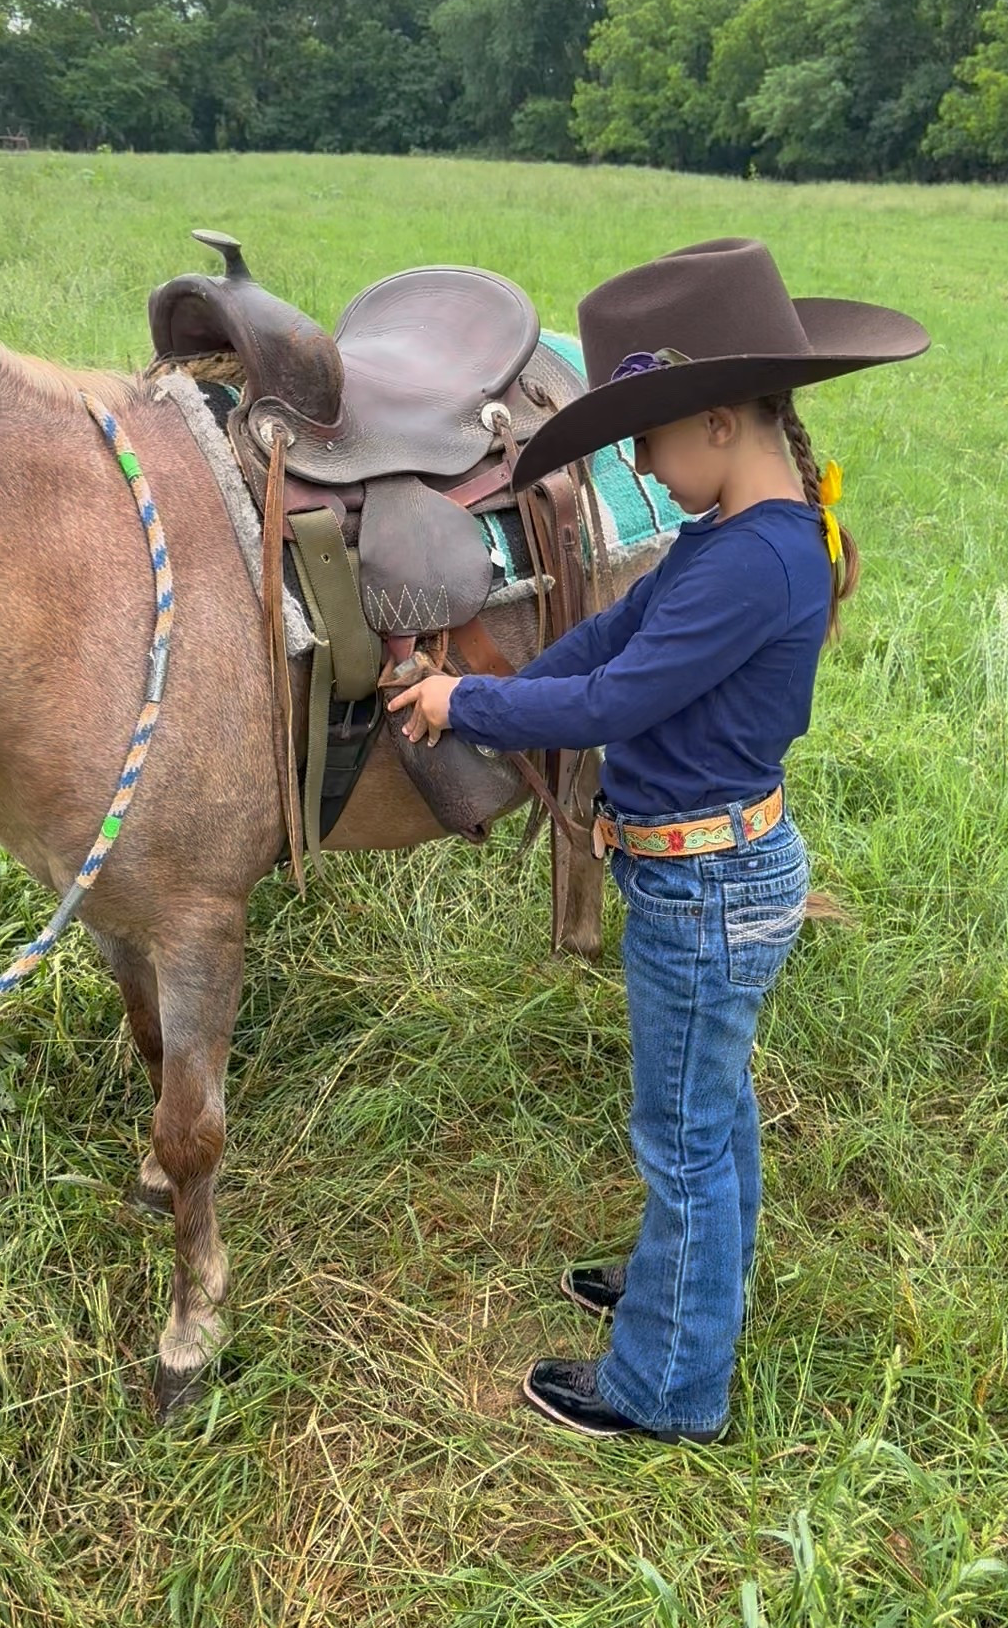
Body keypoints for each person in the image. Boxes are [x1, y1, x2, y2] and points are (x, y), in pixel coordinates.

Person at [388, 238, 929, 1444]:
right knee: (708, 1113)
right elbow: (605, 643)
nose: (637, 464)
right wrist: (481, 672)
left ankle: (666, 1389)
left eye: (650, 439)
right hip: (713, 874)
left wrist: (462, 704)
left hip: (707, 886)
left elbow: (610, 705)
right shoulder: (734, 546)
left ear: (724, 425)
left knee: (682, 1138)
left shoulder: (755, 566)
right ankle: (695, 1296)